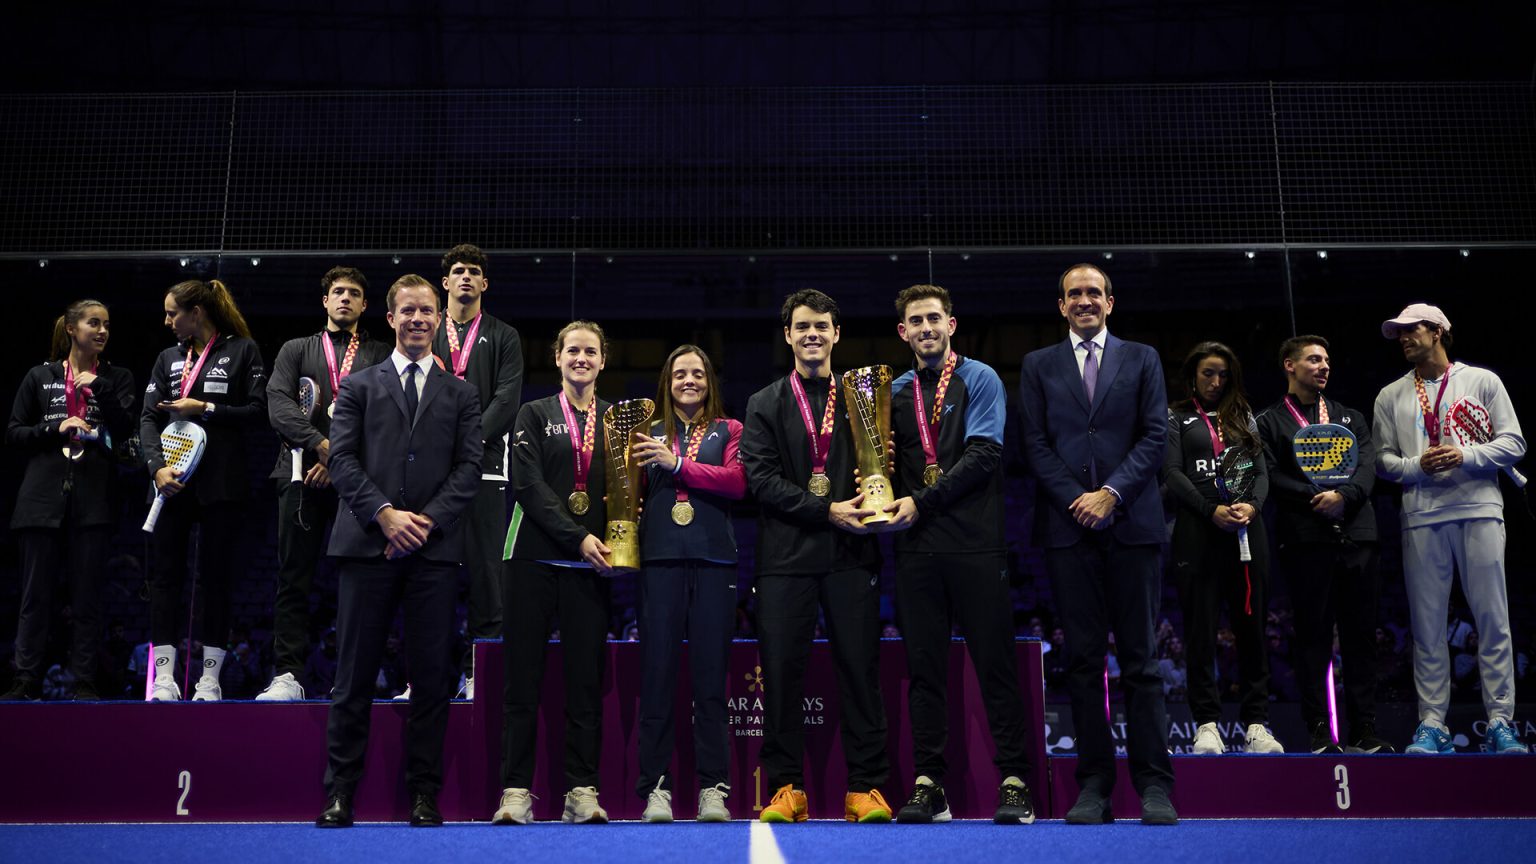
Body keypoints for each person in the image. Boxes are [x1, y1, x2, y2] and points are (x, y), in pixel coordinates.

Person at [315, 274, 483, 828]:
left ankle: (424, 794)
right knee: (353, 676)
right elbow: (341, 460)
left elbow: (469, 469)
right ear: (389, 318)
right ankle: (339, 792)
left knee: (432, 679)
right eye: (407, 310)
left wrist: (425, 522)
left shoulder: (461, 394)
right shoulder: (358, 386)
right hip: (368, 546)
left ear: (439, 319)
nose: (417, 319)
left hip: (433, 553)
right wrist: (385, 515)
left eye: (427, 311)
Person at [1017, 264, 1175, 825]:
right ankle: (1094, 786)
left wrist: (1110, 494)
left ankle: (1154, 785)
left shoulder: (1143, 358)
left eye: (1093, 293)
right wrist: (1078, 500)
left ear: (1111, 301)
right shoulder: (1037, 364)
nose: (1084, 300)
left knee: (1142, 661)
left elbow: (1156, 434)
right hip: (1068, 529)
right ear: (1061, 305)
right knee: (1083, 662)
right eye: (1074, 294)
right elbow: (1034, 443)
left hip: (1132, 523)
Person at [880, 284, 1035, 824]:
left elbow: (985, 455)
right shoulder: (892, 392)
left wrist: (920, 501)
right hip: (916, 550)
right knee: (925, 671)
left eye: (934, 319)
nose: (925, 328)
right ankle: (930, 784)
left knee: (995, 665)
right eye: (915, 321)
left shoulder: (981, 378)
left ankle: (1014, 781)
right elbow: (885, 467)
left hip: (975, 543)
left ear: (951, 324)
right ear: (903, 331)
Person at [740, 289, 892, 825]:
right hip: (785, 559)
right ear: (788, 335)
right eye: (802, 326)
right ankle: (787, 788)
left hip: (852, 555)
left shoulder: (863, 397)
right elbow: (761, 480)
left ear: (836, 333)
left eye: (821, 326)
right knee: (782, 675)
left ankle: (865, 789)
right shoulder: (764, 402)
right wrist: (827, 510)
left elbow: (879, 468)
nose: (812, 334)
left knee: (860, 671)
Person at [1373, 303, 1527, 755]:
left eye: (1412, 329)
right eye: (1398, 333)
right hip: (1422, 515)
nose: (1404, 338)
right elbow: (1382, 460)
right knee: (1427, 626)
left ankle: (1500, 722)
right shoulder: (1390, 395)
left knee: (1492, 619)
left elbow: (1514, 442)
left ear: (1438, 331)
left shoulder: (1482, 381)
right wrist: (1416, 466)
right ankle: (1432, 723)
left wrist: (1466, 455)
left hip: (1480, 508)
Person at [495, 321, 616, 825]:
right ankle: (515, 791)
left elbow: (626, 489)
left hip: (590, 566)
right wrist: (579, 537)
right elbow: (528, 486)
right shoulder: (533, 413)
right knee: (522, 682)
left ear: (603, 360)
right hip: (532, 560)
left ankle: (581, 791)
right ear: (558, 357)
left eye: (590, 351)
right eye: (572, 350)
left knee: (585, 684)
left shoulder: (617, 421)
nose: (581, 358)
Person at [258, 267, 390, 701]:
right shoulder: (297, 349)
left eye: (354, 293)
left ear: (365, 305)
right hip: (298, 474)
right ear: (325, 300)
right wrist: (320, 444)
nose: (345, 298)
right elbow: (278, 404)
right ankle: (287, 675)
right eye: (338, 292)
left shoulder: (380, 353)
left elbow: (384, 415)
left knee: (360, 579)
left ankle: (356, 675)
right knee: (293, 579)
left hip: (358, 482)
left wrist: (339, 461)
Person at [628, 344, 747, 822]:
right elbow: (627, 492)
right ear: (668, 381)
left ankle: (713, 789)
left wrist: (677, 465)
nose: (689, 381)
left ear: (709, 381)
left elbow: (737, 482)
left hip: (715, 561)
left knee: (710, 681)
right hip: (658, 560)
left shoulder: (729, 429)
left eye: (698, 373)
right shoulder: (646, 432)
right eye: (680, 374)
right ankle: (655, 789)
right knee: (656, 677)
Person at [1256, 335, 1392, 754]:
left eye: (1327, 360)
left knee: (1360, 637)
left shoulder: (1351, 418)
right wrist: (1315, 495)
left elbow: (1367, 468)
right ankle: (1318, 730)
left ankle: (1364, 730)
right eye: (1314, 359)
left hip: (1358, 535)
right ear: (1289, 365)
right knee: (1312, 636)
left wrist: (1344, 497)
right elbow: (1269, 475)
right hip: (1306, 539)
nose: (1324, 366)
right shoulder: (1269, 422)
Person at [3, 300, 136, 702]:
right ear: (71, 329)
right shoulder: (39, 376)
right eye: (94, 323)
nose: (102, 330)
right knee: (35, 596)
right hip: (41, 499)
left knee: (87, 598)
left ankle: (84, 680)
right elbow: (14, 432)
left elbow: (126, 430)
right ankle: (26, 678)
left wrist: (99, 389)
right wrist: (54, 427)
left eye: (107, 324)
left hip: (94, 499)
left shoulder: (117, 378)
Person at [141, 279, 267, 702]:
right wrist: (157, 469)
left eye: (172, 313)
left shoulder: (243, 351)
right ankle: (163, 679)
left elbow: (258, 411)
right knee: (165, 579)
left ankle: (209, 681)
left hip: (222, 484)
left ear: (196, 313)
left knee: (216, 579)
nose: (167, 321)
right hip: (171, 483)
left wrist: (206, 408)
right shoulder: (167, 358)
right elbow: (148, 419)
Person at [1161, 342, 1283, 755]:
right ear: (1193, 376)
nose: (1216, 382)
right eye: (1208, 373)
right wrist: (1208, 509)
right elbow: (1172, 472)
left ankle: (1256, 725)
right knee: (1200, 633)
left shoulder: (1243, 416)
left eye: (1224, 375)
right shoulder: (1176, 416)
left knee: (1252, 631)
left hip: (1247, 534)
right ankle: (1207, 725)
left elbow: (1262, 473)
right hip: (1197, 533)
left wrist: (1254, 506)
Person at [432, 244, 524, 697]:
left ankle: (478, 675)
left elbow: (507, 400)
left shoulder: (504, 335)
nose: (465, 277)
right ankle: (424, 677)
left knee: (487, 576)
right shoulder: (426, 329)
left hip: (486, 471)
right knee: (431, 576)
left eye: (473, 271)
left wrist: (465, 444)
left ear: (484, 283)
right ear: (445, 282)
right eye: (458, 271)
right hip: (430, 471)